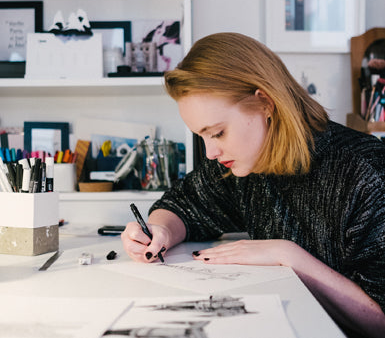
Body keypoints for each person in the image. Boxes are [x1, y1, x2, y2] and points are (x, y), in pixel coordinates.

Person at [121, 32, 385, 338]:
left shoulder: (368, 174)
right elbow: (183, 204)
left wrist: (289, 256)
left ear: (265, 104)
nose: (210, 153)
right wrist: (160, 231)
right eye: (201, 136)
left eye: (217, 133)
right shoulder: (243, 163)